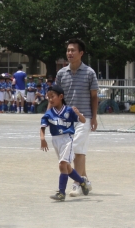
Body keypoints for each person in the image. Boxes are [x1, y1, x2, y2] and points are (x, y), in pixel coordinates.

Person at [55, 38, 98, 197]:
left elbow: (94, 97)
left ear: (81, 53)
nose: (70, 53)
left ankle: (76, 184)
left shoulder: (89, 73)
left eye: (73, 50)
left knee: (76, 149)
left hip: (83, 118)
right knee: (73, 151)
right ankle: (84, 181)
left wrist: (94, 117)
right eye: (68, 50)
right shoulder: (61, 74)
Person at [39, 84, 90, 201]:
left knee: (62, 165)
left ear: (61, 96)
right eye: (48, 97)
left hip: (67, 139)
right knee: (67, 167)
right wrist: (42, 139)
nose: (50, 99)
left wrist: (78, 113)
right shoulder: (49, 113)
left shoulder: (69, 110)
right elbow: (42, 127)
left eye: (52, 96)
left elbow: (83, 120)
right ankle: (81, 181)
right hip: (56, 140)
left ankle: (61, 192)